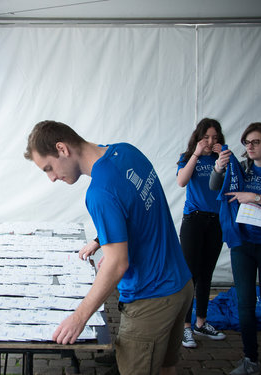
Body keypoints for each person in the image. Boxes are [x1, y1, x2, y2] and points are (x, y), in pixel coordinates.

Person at [24, 121, 193, 375]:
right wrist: (103, 241)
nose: (51, 178)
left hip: (150, 300)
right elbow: (139, 210)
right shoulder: (126, 152)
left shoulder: (99, 191)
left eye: (49, 168)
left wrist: (79, 317)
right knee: (166, 368)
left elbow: (117, 264)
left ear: (62, 149)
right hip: (181, 285)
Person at [210, 122, 261, 375]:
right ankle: (250, 360)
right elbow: (214, 186)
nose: (250, 147)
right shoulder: (242, 169)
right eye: (247, 142)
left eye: (256, 142)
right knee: (245, 303)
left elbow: (249, 197)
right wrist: (219, 167)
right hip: (243, 244)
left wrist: (254, 197)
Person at [176, 118, 227, 348]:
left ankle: (201, 322)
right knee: (191, 275)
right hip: (194, 220)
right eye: (206, 137)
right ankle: (185, 327)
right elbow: (181, 181)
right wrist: (196, 154)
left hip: (216, 221)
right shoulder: (188, 158)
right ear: (198, 137)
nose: (210, 142)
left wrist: (225, 158)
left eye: (215, 138)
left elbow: (230, 186)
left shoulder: (222, 159)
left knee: (207, 273)